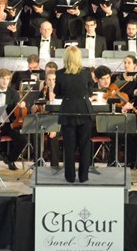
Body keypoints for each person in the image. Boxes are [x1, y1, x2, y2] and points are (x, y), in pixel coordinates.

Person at [54, 46, 95, 183]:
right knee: (85, 146)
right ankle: (84, 177)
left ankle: (70, 177)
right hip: (84, 111)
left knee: (69, 147)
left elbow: (58, 93)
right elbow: (90, 91)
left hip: (68, 111)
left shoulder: (60, 74)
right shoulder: (86, 72)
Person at [0, 69, 28, 171]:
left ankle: (10, 159)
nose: (5, 81)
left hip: (9, 124)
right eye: (3, 78)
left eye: (7, 79)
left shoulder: (13, 93)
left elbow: (17, 112)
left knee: (23, 139)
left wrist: (22, 106)